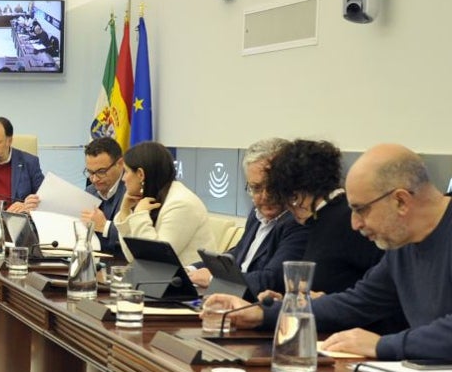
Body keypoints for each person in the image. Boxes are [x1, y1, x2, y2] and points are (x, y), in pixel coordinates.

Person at [205, 144, 448, 360]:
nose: (355, 224)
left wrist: (383, 345)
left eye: (361, 210)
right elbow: (356, 302)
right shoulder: (401, 247)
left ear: (401, 201)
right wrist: (261, 314)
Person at [186, 138, 309, 296]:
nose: (264, 196)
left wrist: (213, 279)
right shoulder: (257, 214)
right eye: (256, 188)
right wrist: (191, 270)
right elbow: (239, 254)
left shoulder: (298, 221)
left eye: (272, 186)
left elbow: (273, 280)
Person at [263, 139, 383, 295]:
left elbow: (376, 294)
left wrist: (323, 303)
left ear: (295, 195)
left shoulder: (344, 222)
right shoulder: (328, 217)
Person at [113, 140, 215, 266]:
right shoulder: (150, 198)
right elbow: (132, 257)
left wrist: (140, 215)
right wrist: (125, 213)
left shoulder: (181, 203)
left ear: (140, 174)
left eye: (126, 172)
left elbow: (155, 260)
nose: (123, 179)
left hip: (188, 283)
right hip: (159, 280)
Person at [80, 137, 126, 255]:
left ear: (120, 164)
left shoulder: (132, 190)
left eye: (101, 172)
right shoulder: (90, 191)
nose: (94, 179)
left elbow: (136, 239)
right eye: (90, 172)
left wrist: (105, 226)